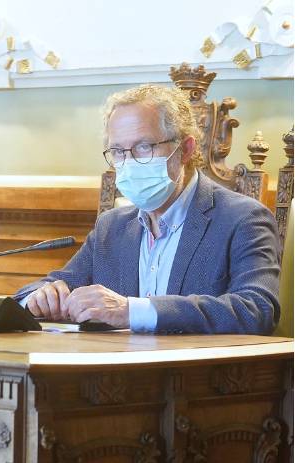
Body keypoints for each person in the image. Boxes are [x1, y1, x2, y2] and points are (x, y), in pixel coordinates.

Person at [16, 84, 280, 334]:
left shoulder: (242, 219)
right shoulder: (111, 226)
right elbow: (50, 286)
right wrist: (39, 298)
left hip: (196, 366)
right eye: (118, 151)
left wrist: (133, 311)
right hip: (115, 365)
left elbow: (257, 309)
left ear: (185, 149)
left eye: (144, 147)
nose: (129, 163)